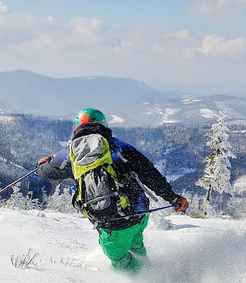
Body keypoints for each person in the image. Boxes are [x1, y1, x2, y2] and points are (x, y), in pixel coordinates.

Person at [36, 108, 189, 272]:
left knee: (121, 261)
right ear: (103, 124)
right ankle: (150, 272)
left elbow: (48, 173)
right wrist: (174, 198)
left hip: (112, 224)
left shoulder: (70, 153)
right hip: (139, 214)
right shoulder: (118, 147)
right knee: (135, 243)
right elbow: (151, 175)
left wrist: (41, 165)